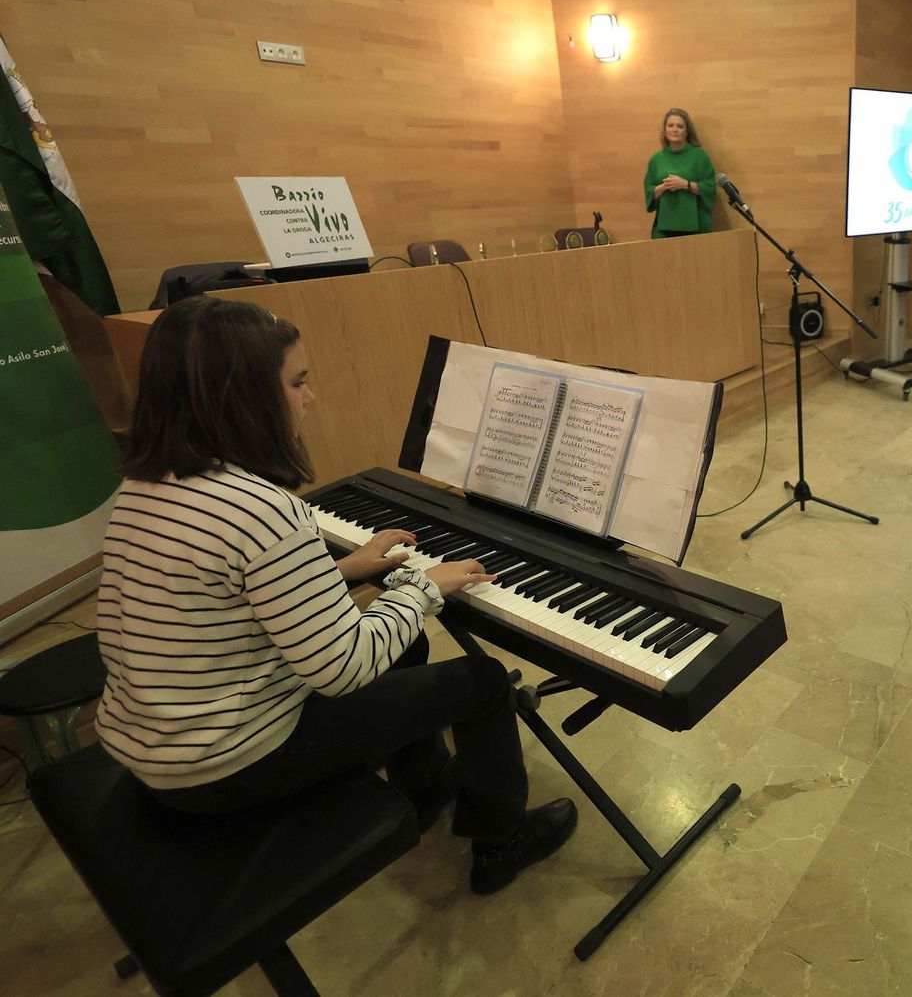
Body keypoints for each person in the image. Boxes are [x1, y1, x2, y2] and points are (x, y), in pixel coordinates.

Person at [94, 297, 577, 896]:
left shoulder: (145, 484)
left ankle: (423, 787)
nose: (309, 397)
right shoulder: (261, 510)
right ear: (239, 399)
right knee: (479, 682)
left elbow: (235, 599)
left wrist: (342, 570)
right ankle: (501, 843)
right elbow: (344, 671)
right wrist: (426, 586)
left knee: (402, 648)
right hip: (226, 765)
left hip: (158, 744)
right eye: (298, 382)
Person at [643, 107, 716, 238]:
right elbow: (649, 191)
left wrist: (685, 184)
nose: (674, 129)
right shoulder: (656, 159)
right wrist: (663, 187)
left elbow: (710, 188)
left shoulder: (699, 155)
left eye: (680, 126)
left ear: (687, 131)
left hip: (696, 226)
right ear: (665, 130)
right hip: (664, 228)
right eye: (670, 125)